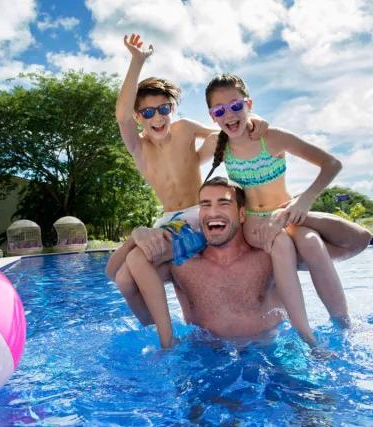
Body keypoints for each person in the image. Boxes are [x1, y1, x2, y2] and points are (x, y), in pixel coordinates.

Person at [113, 34, 268, 348]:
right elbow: (120, 117)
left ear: (172, 109)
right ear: (138, 118)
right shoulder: (139, 148)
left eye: (163, 109)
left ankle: (166, 341)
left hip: (195, 217)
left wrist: (255, 123)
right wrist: (137, 62)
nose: (157, 117)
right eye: (147, 113)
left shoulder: (183, 129)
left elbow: (223, 132)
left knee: (139, 262)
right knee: (122, 278)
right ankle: (158, 325)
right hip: (168, 221)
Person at [203, 73, 371, 332]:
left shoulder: (271, 137)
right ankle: (305, 333)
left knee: (313, 243)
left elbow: (332, 164)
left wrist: (303, 202)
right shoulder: (217, 143)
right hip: (256, 225)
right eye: (219, 110)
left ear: (249, 104)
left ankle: (343, 325)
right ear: (212, 115)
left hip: (288, 214)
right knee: (281, 243)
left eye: (236, 106)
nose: (229, 115)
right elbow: (184, 159)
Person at [107, 177, 317, 346]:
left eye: (223, 203)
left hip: (271, 351)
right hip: (206, 359)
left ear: (242, 214)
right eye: (205, 205)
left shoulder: (270, 253)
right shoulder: (182, 264)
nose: (213, 212)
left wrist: (297, 216)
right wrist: (134, 238)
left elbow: (349, 244)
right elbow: (117, 276)